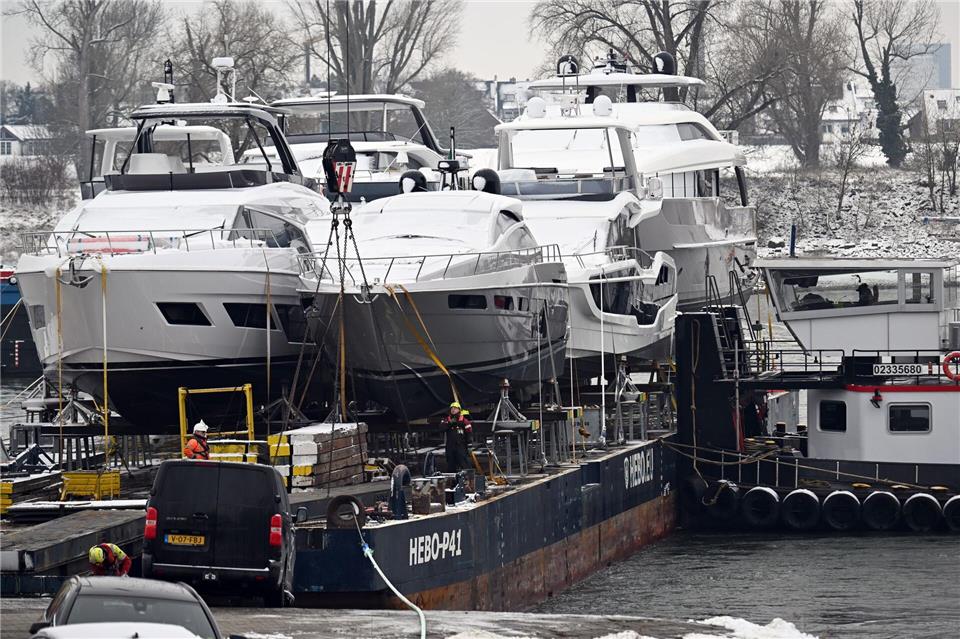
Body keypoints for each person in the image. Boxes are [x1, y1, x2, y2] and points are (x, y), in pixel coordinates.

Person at [442, 402, 472, 472]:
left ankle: (468, 479)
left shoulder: (464, 421)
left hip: (461, 445)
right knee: (450, 464)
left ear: (459, 410)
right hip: (450, 446)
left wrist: (469, 443)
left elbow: (469, 432)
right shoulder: (447, 420)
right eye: (452, 408)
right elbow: (441, 428)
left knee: (464, 463)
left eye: (455, 408)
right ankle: (453, 480)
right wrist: (450, 423)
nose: (453, 410)